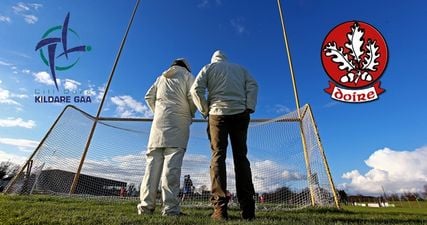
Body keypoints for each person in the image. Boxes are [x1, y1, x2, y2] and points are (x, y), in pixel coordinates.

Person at [190, 50, 258, 221]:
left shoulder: (209, 68)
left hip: (217, 114)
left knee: (218, 156)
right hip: (241, 113)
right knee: (241, 158)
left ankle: (220, 210)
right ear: (226, 59)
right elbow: (253, 85)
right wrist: (249, 105)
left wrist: (205, 110)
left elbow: (195, 90)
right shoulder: (240, 69)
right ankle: (248, 210)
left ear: (213, 59)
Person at [137, 58, 196, 216]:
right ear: (186, 67)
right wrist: (190, 114)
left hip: (158, 126)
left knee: (151, 167)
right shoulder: (188, 76)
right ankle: (170, 209)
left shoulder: (161, 77)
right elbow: (193, 96)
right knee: (172, 168)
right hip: (178, 125)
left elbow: (148, 97)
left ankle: (145, 207)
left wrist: (158, 112)